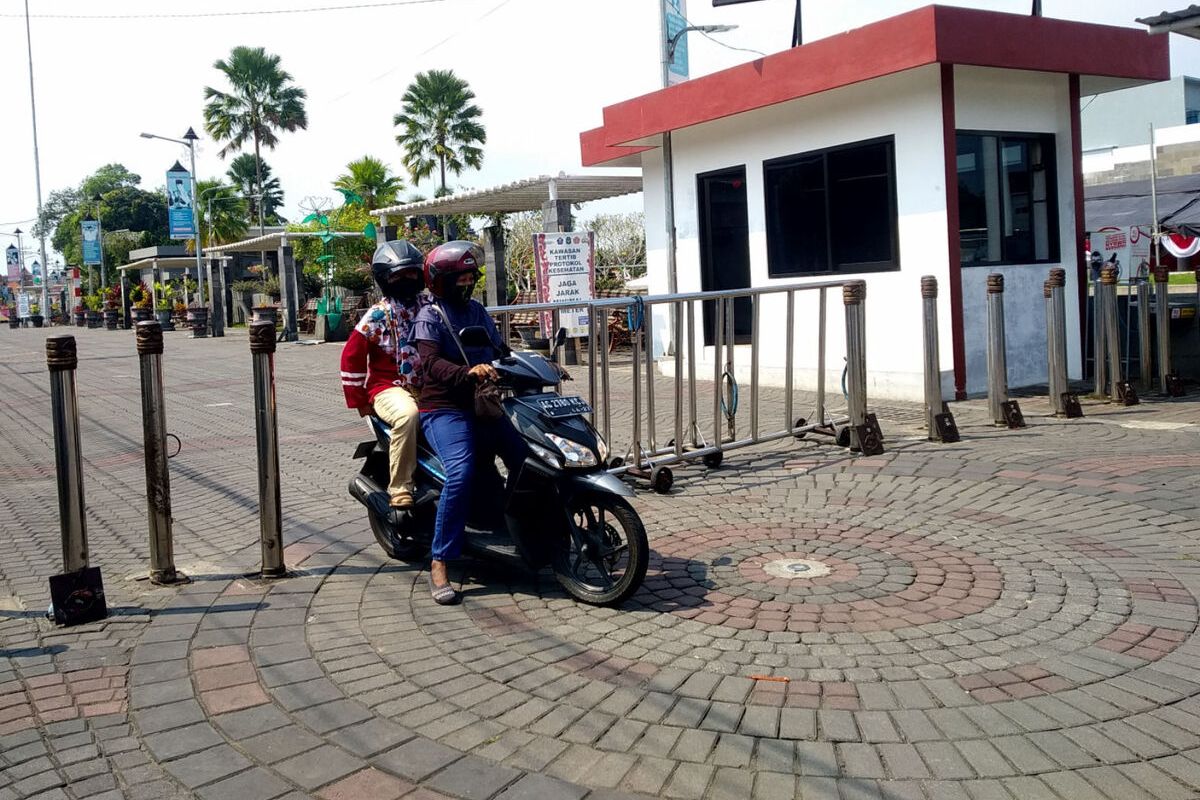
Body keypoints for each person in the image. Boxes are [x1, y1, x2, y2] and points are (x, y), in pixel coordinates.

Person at [412, 240, 527, 605]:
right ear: (441, 282)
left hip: (484, 406)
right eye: (459, 278)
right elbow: (430, 365)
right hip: (444, 409)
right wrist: (467, 371)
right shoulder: (430, 316)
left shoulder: (477, 311)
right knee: (460, 474)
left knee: (527, 458)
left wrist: (536, 363)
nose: (466, 283)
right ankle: (440, 561)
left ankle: (523, 528)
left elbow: (500, 351)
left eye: (469, 277)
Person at [340, 240, 427, 514]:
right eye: (397, 275)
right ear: (385, 280)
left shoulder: (430, 306)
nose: (406, 280)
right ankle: (400, 488)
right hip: (389, 388)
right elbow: (351, 357)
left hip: (430, 384)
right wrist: (359, 401)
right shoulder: (376, 316)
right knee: (407, 416)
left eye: (411, 273)